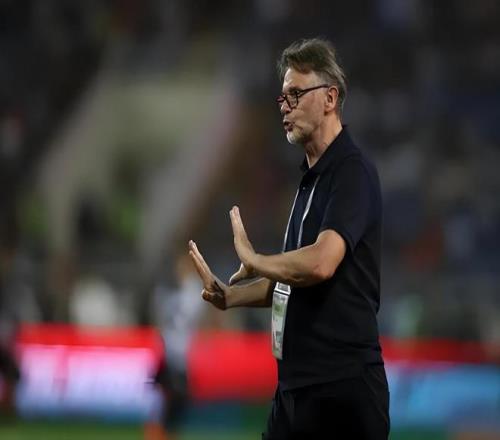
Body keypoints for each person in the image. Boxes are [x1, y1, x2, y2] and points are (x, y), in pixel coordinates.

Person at [188, 38, 390, 439]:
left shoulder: (351, 172)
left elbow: (320, 263)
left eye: (296, 94)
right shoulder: (309, 181)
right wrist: (231, 297)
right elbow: (291, 281)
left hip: (342, 390)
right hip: (296, 388)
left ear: (330, 98)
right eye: (283, 97)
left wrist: (256, 259)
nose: (285, 106)